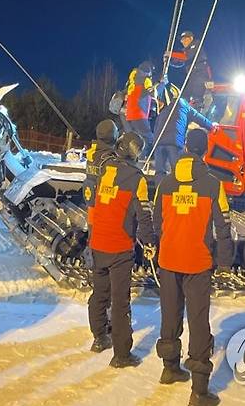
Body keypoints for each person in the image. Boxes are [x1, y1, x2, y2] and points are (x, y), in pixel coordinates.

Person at [153, 128, 232, 405]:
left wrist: (164, 245)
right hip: (197, 264)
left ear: (186, 147)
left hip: (169, 261)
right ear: (204, 150)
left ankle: (170, 368)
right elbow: (223, 228)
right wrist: (224, 262)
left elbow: (157, 222)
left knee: (170, 315)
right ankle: (199, 391)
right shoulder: (213, 185)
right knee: (199, 323)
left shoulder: (165, 184)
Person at [87, 130, 156, 368]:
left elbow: (95, 203)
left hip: (98, 243)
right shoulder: (137, 178)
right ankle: (122, 355)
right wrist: (149, 243)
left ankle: (99, 338)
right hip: (119, 247)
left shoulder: (105, 170)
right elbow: (144, 216)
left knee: (99, 294)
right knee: (120, 302)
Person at [84, 118, 120, 352]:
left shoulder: (92, 155)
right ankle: (109, 328)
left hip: (92, 220)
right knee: (112, 284)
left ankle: (99, 332)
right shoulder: (111, 160)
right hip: (108, 223)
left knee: (99, 283)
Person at [152, 84, 216, 185]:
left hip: (158, 143)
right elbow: (199, 118)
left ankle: (159, 195)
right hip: (174, 142)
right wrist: (212, 127)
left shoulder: (166, 109)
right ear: (189, 101)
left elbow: (156, 126)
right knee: (178, 171)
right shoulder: (185, 106)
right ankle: (176, 193)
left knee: (160, 172)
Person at [167, 32, 213, 110]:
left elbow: (187, 57)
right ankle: (182, 112)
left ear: (191, 38)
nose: (183, 41)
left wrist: (171, 54)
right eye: (182, 40)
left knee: (196, 97)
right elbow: (180, 62)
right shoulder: (186, 50)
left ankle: (197, 113)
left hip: (200, 75)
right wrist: (170, 60)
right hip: (193, 77)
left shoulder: (196, 45)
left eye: (185, 39)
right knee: (184, 96)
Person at [124, 62, 156, 152]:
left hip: (130, 114)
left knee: (136, 139)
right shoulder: (146, 80)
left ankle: (133, 158)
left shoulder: (133, 80)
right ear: (148, 72)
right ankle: (140, 160)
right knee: (148, 137)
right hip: (139, 113)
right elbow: (152, 92)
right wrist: (162, 83)